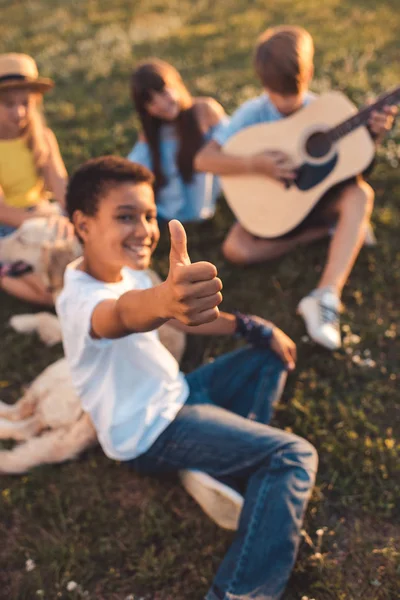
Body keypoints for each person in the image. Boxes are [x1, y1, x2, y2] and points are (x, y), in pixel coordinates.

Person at [56, 155, 318, 600]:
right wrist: (164, 300)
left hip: (179, 393)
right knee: (292, 456)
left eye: (149, 215)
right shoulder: (82, 301)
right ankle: (237, 593)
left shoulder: (124, 269)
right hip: (150, 431)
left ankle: (228, 471)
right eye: (125, 217)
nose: (143, 229)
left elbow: (182, 319)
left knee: (269, 355)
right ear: (82, 225)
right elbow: (123, 314)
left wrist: (254, 326)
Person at [195, 25, 398, 350]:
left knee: (360, 194)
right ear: (263, 83)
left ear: (309, 74)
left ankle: (325, 295)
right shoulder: (252, 113)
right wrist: (255, 164)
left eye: (293, 88)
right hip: (279, 210)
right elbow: (204, 159)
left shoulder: (327, 113)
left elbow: (352, 164)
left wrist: (373, 135)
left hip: (320, 201)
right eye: (278, 92)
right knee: (236, 249)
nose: (286, 100)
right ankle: (335, 231)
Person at [0, 53, 73, 305]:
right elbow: (2, 211)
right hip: (8, 225)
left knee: (80, 246)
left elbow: (60, 185)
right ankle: (6, 274)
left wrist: (74, 215)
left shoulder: (43, 137)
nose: (19, 112)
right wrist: (45, 223)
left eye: (25, 103)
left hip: (42, 211)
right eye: (8, 104)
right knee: (51, 290)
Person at [127, 59, 227, 224]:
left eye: (164, 92)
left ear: (176, 85)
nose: (161, 104)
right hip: (165, 211)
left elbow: (234, 143)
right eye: (151, 101)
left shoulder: (204, 111)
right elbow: (133, 169)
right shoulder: (151, 134)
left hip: (201, 204)